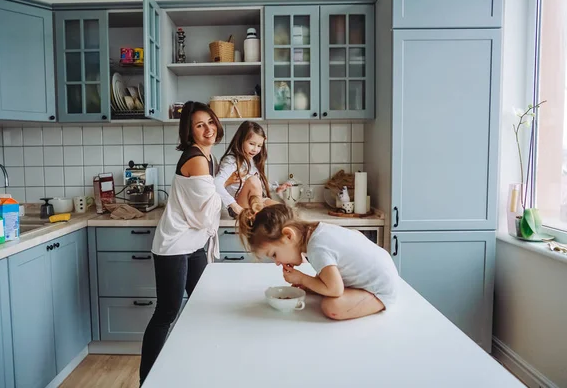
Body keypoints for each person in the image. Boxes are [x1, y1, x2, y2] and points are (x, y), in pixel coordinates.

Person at [139, 101, 224, 385]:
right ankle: (147, 380)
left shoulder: (208, 157)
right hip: (175, 245)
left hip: (193, 245)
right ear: (189, 132)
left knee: (203, 303)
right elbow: (205, 213)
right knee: (166, 312)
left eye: (210, 121)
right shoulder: (197, 159)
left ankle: (196, 365)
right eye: (200, 125)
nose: (208, 129)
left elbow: (212, 199)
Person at [238, 197, 399, 320]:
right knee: (324, 292)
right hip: (384, 270)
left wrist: (302, 278)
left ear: (288, 235)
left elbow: (335, 289)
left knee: (331, 306)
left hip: (381, 290)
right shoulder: (318, 232)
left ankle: (377, 302)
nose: (277, 262)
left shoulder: (317, 248)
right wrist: (309, 285)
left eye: (274, 254)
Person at [214, 120, 291, 218]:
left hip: (256, 201)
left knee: (285, 212)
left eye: (259, 146)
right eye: (252, 144)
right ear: (241, 140)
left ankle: (259, 212)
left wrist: (276, 188)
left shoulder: (251, 160)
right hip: (240, 205)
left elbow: (259, 184)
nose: (255, 149)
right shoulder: (231, 161)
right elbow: (216, 183)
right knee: (253, 180)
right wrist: (234, 205)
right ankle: (258, 215)